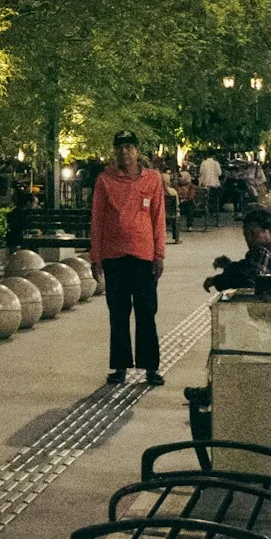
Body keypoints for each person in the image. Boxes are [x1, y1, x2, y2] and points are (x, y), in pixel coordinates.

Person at [90, 131, 167, 387]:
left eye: (129, 147)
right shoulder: (104, 181)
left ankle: (151, 368)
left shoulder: (153, 179)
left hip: (144, 256)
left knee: (147, 312)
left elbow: (158, 218)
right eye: (120, 147)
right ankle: (120, 366)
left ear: (137, 150)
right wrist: (96, 257)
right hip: (115, 257)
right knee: (119, 314)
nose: (124, 152)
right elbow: (97, 220)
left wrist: (159, 255)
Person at [196, 152, 222, 226]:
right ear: (213, 156)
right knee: (215, 201)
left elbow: (201, 173)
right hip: (215, 184)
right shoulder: (216, 163)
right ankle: (215, 218)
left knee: (205, 200)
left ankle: (205, 213)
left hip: (205, 184)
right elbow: (219, 173)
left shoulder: (203, 163)